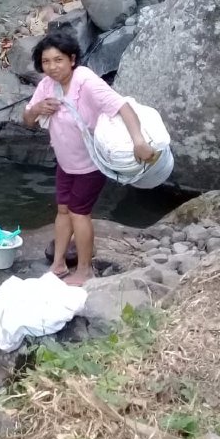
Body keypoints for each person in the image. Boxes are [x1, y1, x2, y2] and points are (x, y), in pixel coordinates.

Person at [23, 30, 155, 285]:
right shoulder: (46, 85)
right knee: (63, 210)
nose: (52, 67)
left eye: (58, 60)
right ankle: (58, 264)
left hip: (91, 164)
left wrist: (139, 142)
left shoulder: (85, 81)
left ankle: (85, 270)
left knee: (78, 213)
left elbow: (122, 107)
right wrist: (37, 109)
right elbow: (27, 119)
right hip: (65, 163)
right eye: (46, 61)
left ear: (72, 59)